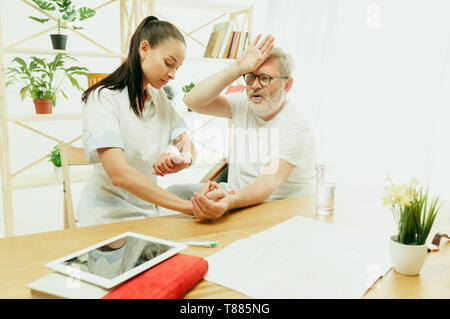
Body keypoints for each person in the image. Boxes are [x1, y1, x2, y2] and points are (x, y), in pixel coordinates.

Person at [168, 35, 316, 220]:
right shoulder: (243, 104)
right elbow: (193, 101)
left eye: (264, 78)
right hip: (236, 196)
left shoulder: (295, 126)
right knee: (173, 194)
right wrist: (237, 68)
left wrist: (228, 201)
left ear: (287, 85)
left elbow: (266, 184)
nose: (255, 85)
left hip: (274, 208)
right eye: (251, 77)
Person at [77, 16, 197, 226]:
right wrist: (187, 207)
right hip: (107, 219)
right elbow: (119, 174)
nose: (172, 75)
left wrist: (182, 156)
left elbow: (185, 140)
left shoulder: (158, 97)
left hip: (148, 215)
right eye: (169, 63)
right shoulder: (102, 99)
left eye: (177, 68)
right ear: (144, 49)